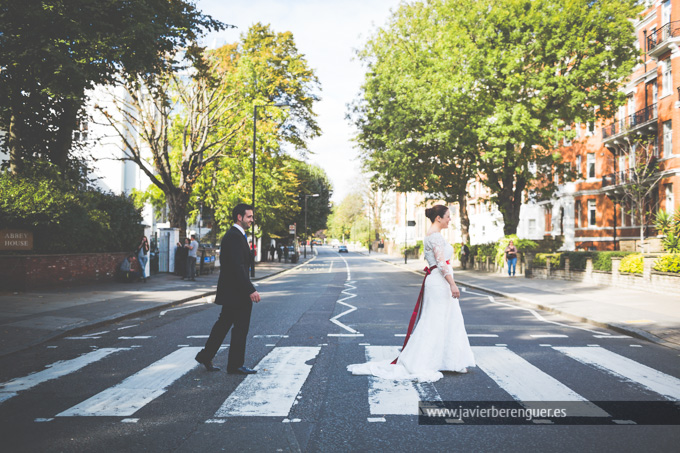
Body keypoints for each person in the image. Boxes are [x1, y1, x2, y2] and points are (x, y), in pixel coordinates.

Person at [347, 204, 475, 382]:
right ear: (438, 218)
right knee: (436, 321)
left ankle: (448, 360)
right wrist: (453, 284)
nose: (449, 219)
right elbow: (441, 263)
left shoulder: (432, 235)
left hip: (437, 281)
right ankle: (431, 361)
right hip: (440, 282)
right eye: (447, 216)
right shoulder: (435, 237)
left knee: (444, 319)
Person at [194, 204, 261, 374]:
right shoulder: (234, 237)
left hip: (232, 291)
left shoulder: (236, 236)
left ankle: (205, 356)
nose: (252, 220)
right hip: (238, 293)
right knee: (240, 328)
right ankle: (235, 365)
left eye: (252, 217)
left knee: (223, 325)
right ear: (239, 217)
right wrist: (250, 290)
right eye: (249, 217)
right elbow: (237, 266)